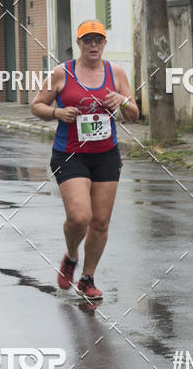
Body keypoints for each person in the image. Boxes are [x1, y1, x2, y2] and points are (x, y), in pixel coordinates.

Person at [31, 20, 139, 299]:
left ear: (105, 43)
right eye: (87, 40)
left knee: (100, 222)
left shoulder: (115, 73)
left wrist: (123, 101)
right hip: (70, 154)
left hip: (106, 155)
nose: (93, 45)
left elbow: (135, 114)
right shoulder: (61, 73)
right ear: (78, 43)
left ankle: (87, 278)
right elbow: (37, 105)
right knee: (80, 217)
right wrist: (57, 113)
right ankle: (71, 255)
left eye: (98, 40)